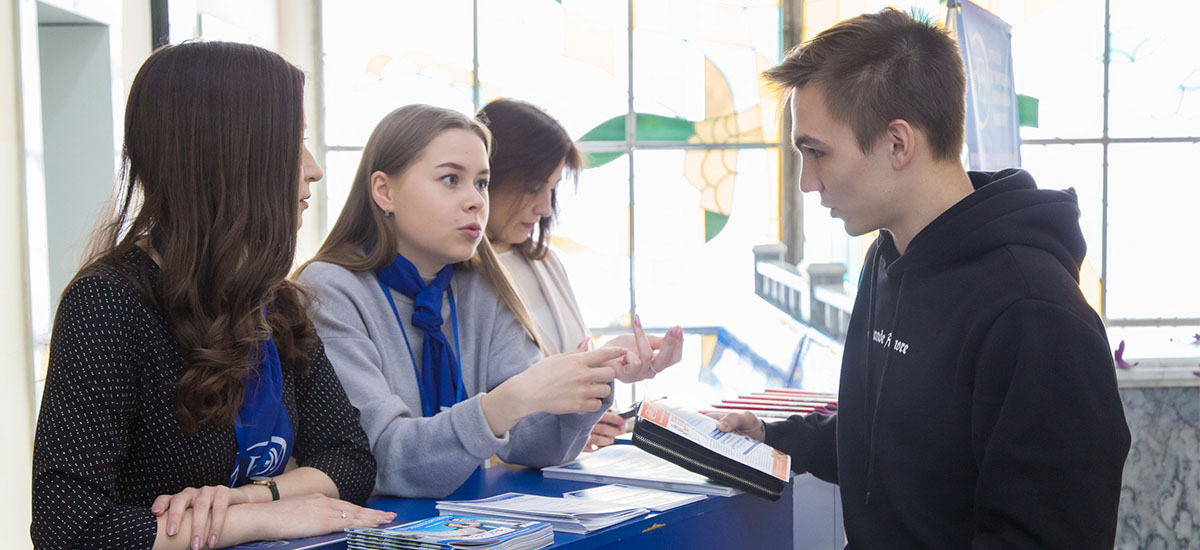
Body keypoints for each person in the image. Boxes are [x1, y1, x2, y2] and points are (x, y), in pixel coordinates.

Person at [716, 8, 1130, 549]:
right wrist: (775, 437)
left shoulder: (1034, 314)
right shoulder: (888, 260)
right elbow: (892, 431)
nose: (807, 182)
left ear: (897, 144)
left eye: (816, 152)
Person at [31, 42, 393, 550]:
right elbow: (69, 529)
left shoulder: (275, 301)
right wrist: (267, 519)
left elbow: (350, 460)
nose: (313, 168)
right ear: (230, 156)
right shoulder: (106, 305)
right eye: (294, 143)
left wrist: (248, 498)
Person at [297, 104, 656, 499]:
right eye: (451, 179)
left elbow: (536, 446)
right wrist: (508, 401)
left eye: (482, 183)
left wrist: (592, 375)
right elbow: (383, 460)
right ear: (385, 191)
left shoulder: (479, 286)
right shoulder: (330, 289)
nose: (475, 201)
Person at [476, 98, 684, 450]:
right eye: (533, 188)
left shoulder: (544, 262)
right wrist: (568, 427)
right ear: (490, 176)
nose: (544, 209)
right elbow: (477, 415)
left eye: (552, 189)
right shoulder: (458, 277)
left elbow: (564, 367)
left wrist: (607, 369)